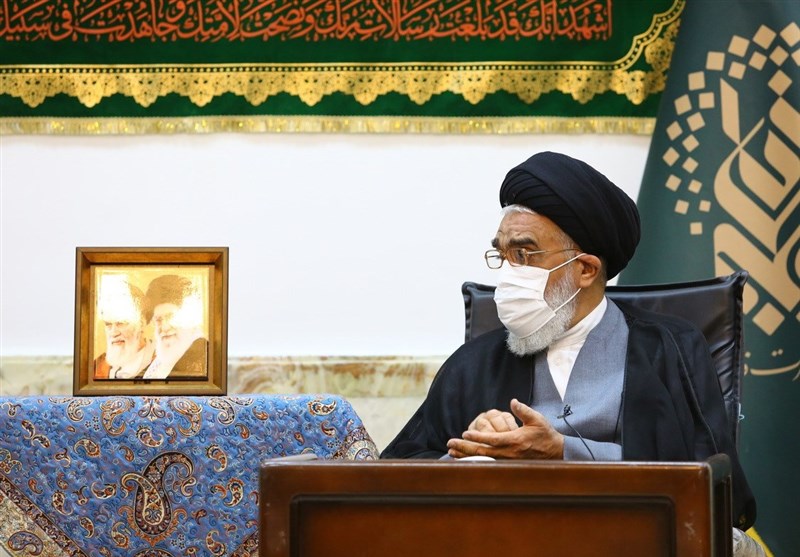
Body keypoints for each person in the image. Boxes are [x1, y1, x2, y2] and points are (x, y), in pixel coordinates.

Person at [381, 152, 758, 542]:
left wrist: (564, 451)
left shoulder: (669, 349)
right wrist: (467, 454)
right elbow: (397, 471)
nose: (508, 274)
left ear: (586, 269)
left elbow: (710, 482)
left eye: (523, 255)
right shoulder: (474, 363)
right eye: (502, 255)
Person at [141, 274, 208, 379]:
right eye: (158, 320)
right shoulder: (157, 363)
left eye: (171, 317)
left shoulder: (205, 358)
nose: (164, 327)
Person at [93, 282, 155, 379]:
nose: (114, 333)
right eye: (108, 324)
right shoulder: (97, 368)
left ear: (142, 323)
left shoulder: (162, 363)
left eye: (121, 323)